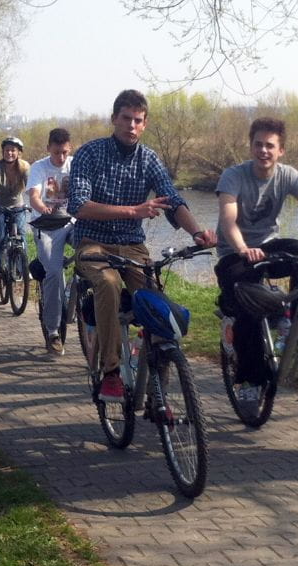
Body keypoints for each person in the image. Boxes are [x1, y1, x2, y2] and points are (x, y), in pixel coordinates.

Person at [68, 89, 216, 401]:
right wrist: (133, 211)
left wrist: (196, 233)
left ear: (144, 125)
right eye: (126, 119)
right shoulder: (89, 153)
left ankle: (157, 382)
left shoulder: (149, 159)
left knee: (156, 303)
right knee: (107, 284)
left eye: (138, 120)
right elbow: (79, 205)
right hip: (93, 243)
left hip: (133, 248)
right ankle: (110, 372)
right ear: (114, 119)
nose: (131, 125)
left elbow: (172, 199)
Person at [214, 117, 298, 413]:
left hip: (267, 248)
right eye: (258, 144)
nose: (263, 150)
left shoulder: (288, 175)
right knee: (249, 312)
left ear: (281, 151)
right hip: (234, 253)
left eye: (270, 146)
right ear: (250, 146)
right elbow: (228, 219)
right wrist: (242, 249)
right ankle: (251, 384)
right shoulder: (233, 176)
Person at [27, 127, 73, 355]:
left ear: (69, 149)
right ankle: (53, 331)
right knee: (54, 273)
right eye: (56, 153)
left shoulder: (75, 164)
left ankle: (82, 294)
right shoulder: (39, 167)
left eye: (64, 152)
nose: (61, 158)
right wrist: (42, 207)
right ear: (48, 149)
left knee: (96, 251)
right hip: (46, 225)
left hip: (71, 222)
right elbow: (34, 195)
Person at [0, 136, 29, 266]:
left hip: (18, 206)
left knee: (21, 235)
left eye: (13, 150)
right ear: (3, 151)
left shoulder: (24, 167)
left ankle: (23, 267)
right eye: (7, 150)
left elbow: (31, 185)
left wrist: (36, 199)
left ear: (18, 152)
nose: (10, 153)